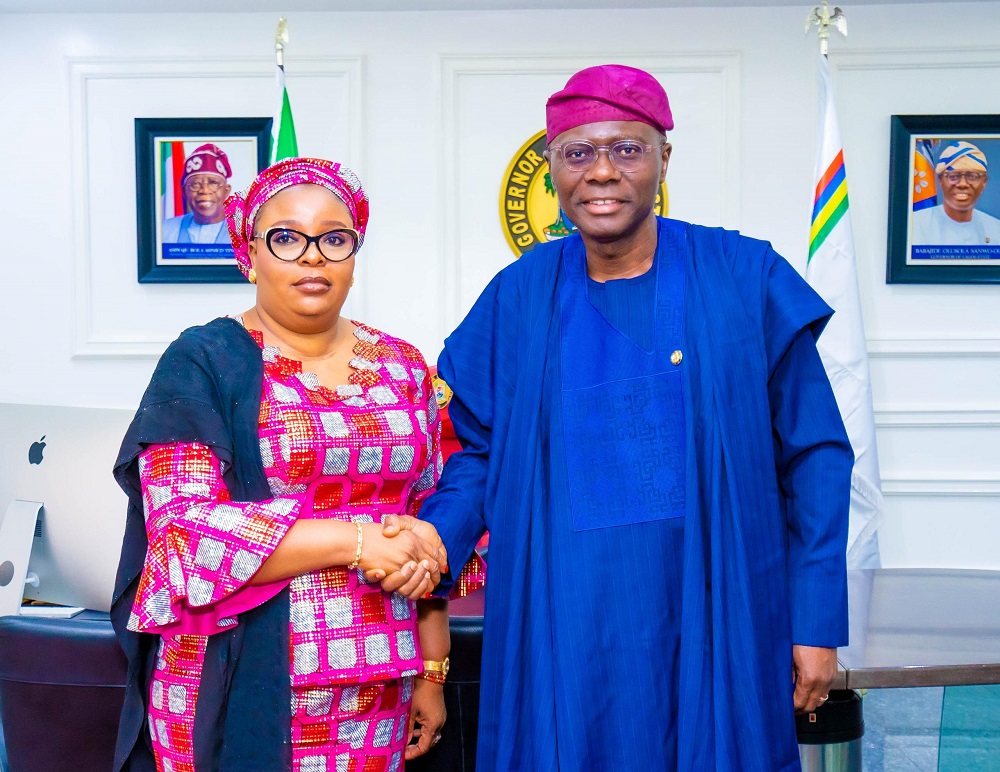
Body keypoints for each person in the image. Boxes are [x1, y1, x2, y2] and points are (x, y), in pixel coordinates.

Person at [377, 64, 853, 771]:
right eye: (579, 152)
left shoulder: (745, 275)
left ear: (664, 158)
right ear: (552, 168)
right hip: (562, 623)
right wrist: (433, 542)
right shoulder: (518, 297)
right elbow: (475, 452)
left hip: (720, 614)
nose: (602, 171)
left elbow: (816, 455)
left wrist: (814, 619)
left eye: (627, 149)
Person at [111, 157, 482, 771]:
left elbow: (424, 526)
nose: (313, 257)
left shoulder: (401, 365)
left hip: (377, 686)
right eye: (286, 238)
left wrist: (433, 669)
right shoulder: (204, 361)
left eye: (334, 239)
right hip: (238, 675)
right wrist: (357, 540)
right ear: (248, 252)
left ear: (354, 254)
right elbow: (184, 536)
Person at [911, 140, 1000, 246]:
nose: (962, 184)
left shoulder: (996, 230)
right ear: (940, 180)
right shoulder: (914, 225)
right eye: (953, 177)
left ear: (984, 182)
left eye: (972, 177)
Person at [161, 143, 234, 245]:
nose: (205, 190)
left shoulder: (245, 233)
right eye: (195, 184)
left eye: (213, 183)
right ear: (184, 192)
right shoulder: (163, 232)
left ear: (226, 191)